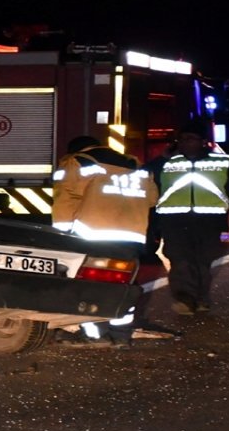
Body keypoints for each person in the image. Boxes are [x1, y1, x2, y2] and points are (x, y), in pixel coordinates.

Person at [51, 135, 157, 343]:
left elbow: (65, 199)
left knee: (89, 285)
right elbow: (153, 199)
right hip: (131, 236)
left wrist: (61, 235)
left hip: (92, 234)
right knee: (124, 286)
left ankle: (95, 335)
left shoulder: (77, 162)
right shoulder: (136, 165)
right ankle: (121, 336)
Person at [153, 118, 229, 315]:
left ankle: (200, 299)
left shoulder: (222, 161)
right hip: (174, 220)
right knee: (180, 259)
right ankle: (185, 299)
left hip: (209, 220)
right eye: (182, 139)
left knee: (203, 261)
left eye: (191, 138)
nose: (186, 142)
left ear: (203, 141)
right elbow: (148, 181)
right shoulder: (165, 162)